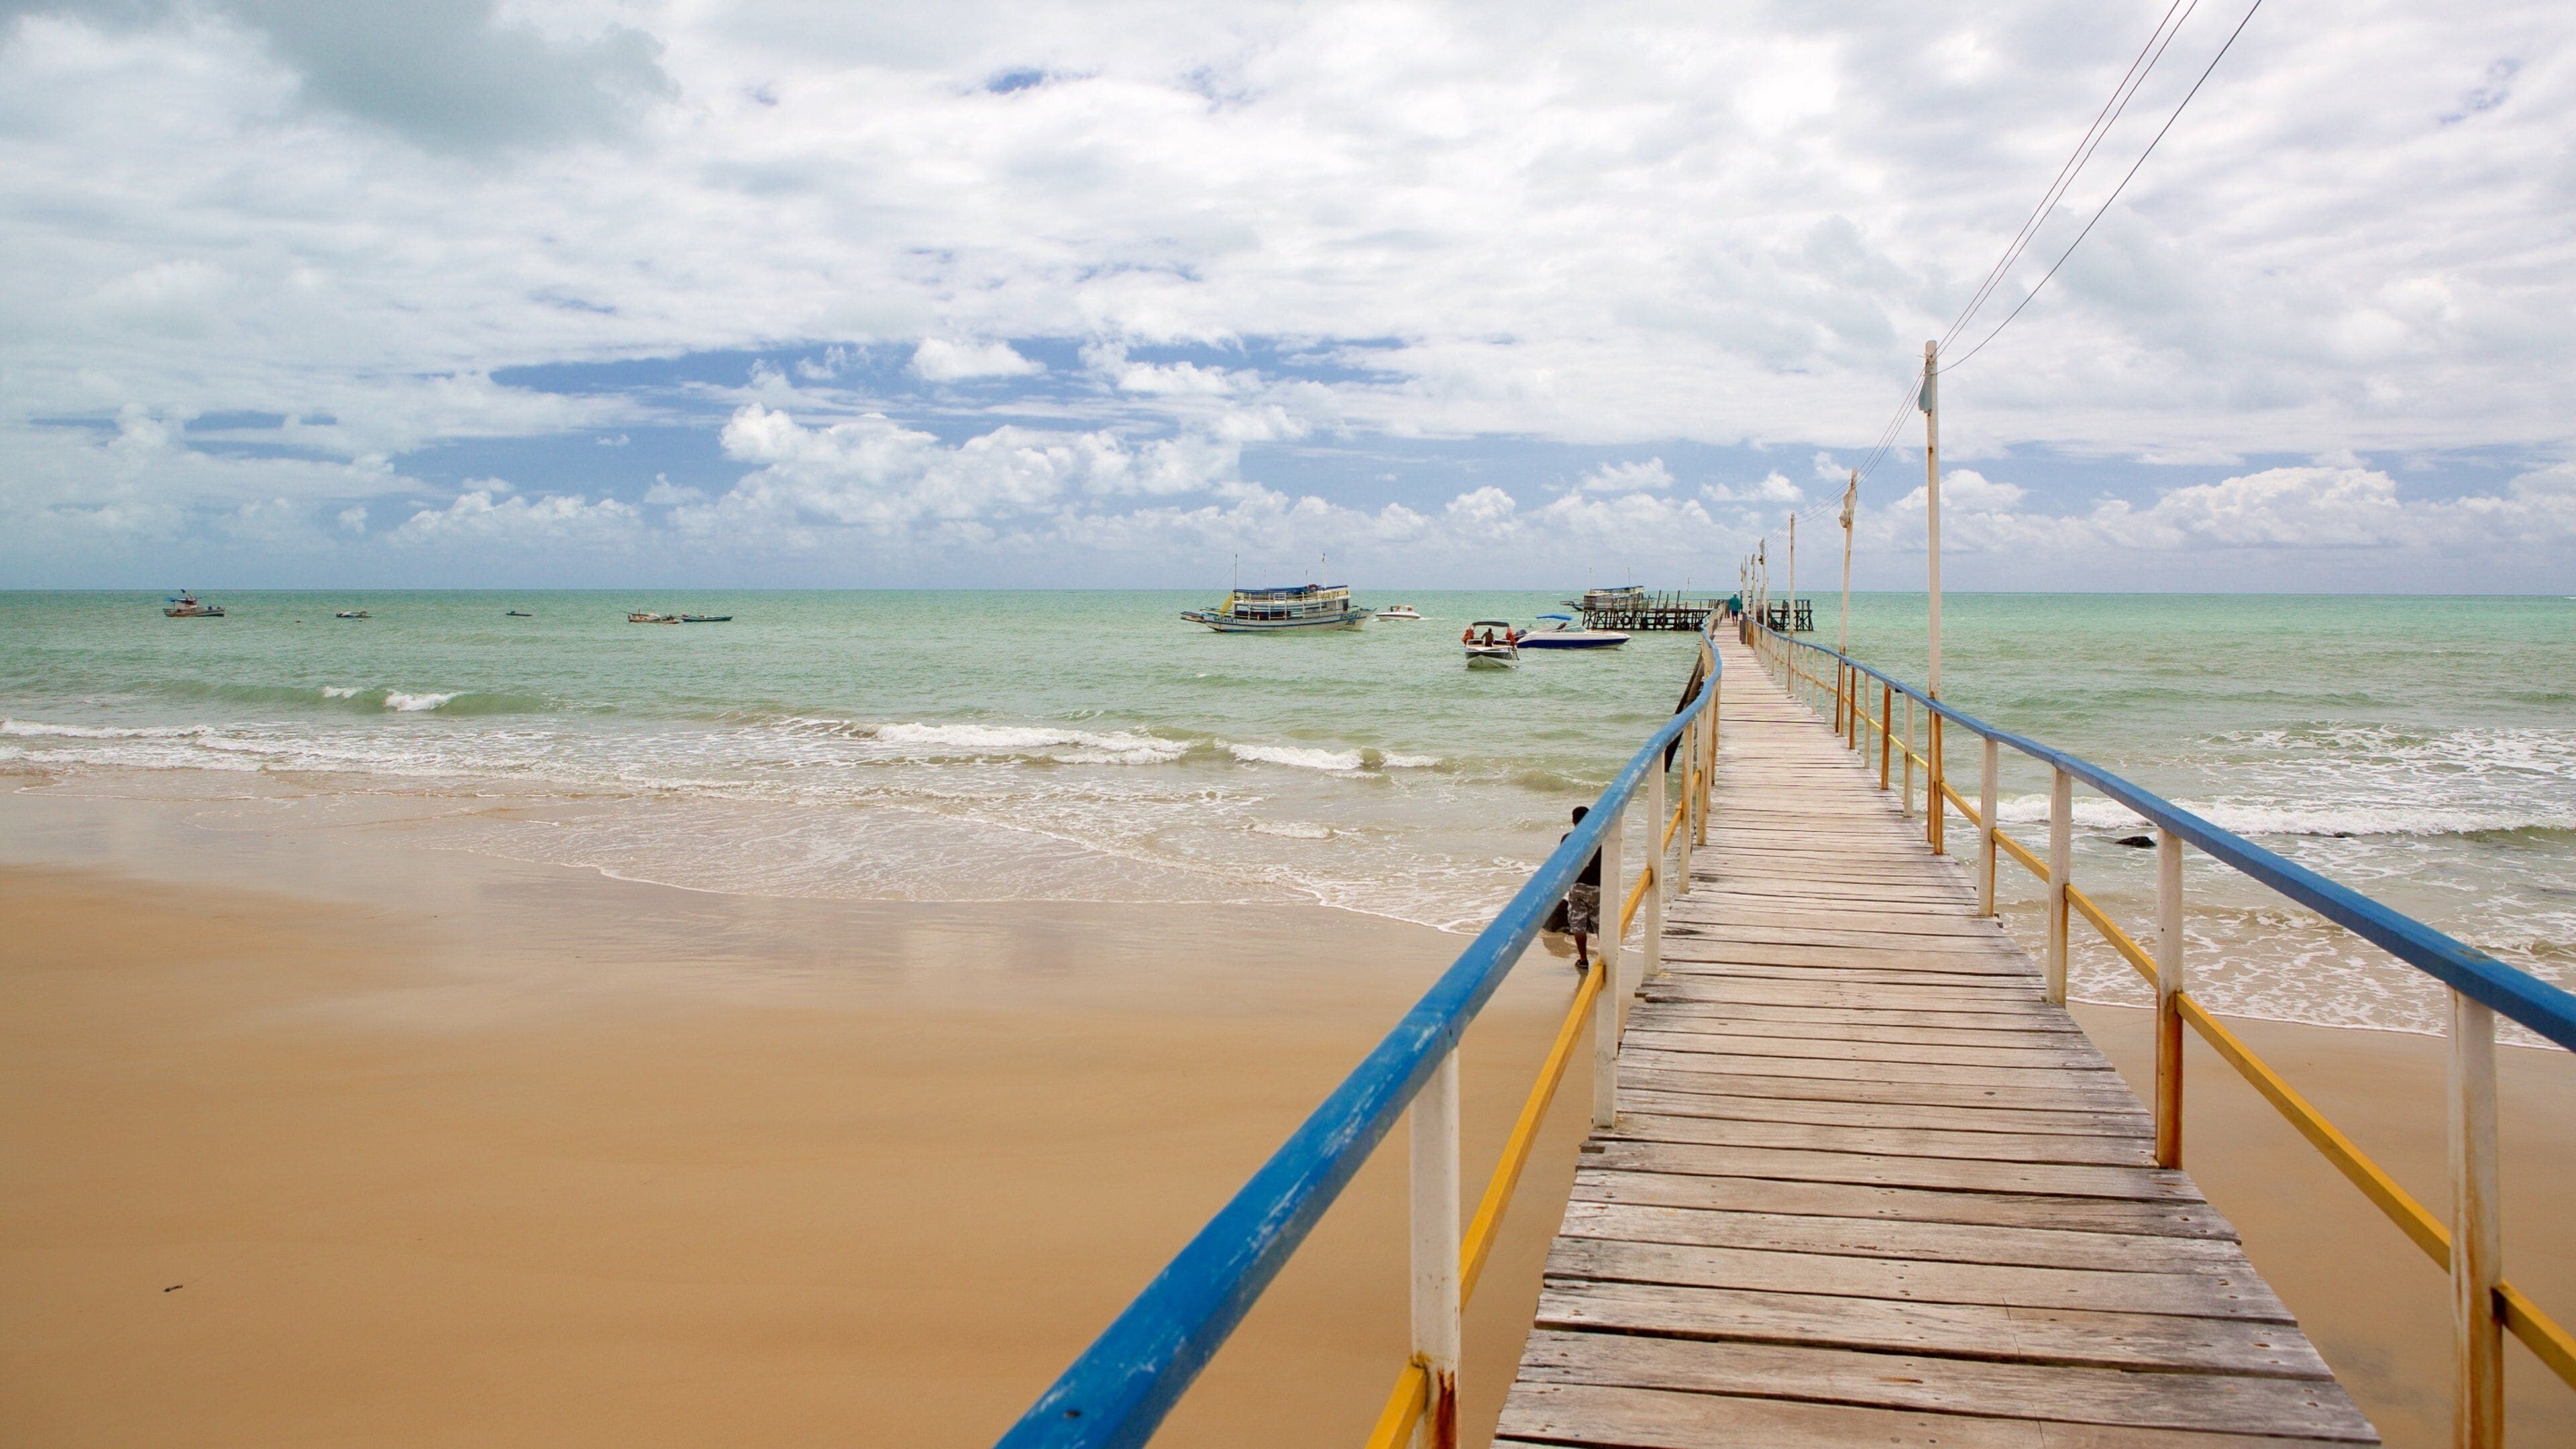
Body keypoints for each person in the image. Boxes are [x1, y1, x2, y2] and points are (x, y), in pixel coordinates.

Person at [1557, 804, 1602, 972]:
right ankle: (1605, 956)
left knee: (1578, 924)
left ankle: (1583, 959)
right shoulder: (1600, 839)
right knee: (1600, 923)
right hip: (1597, 886)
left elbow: (1563, 864)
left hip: (1577, 885)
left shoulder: (1567, 838)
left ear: (1573, 821)